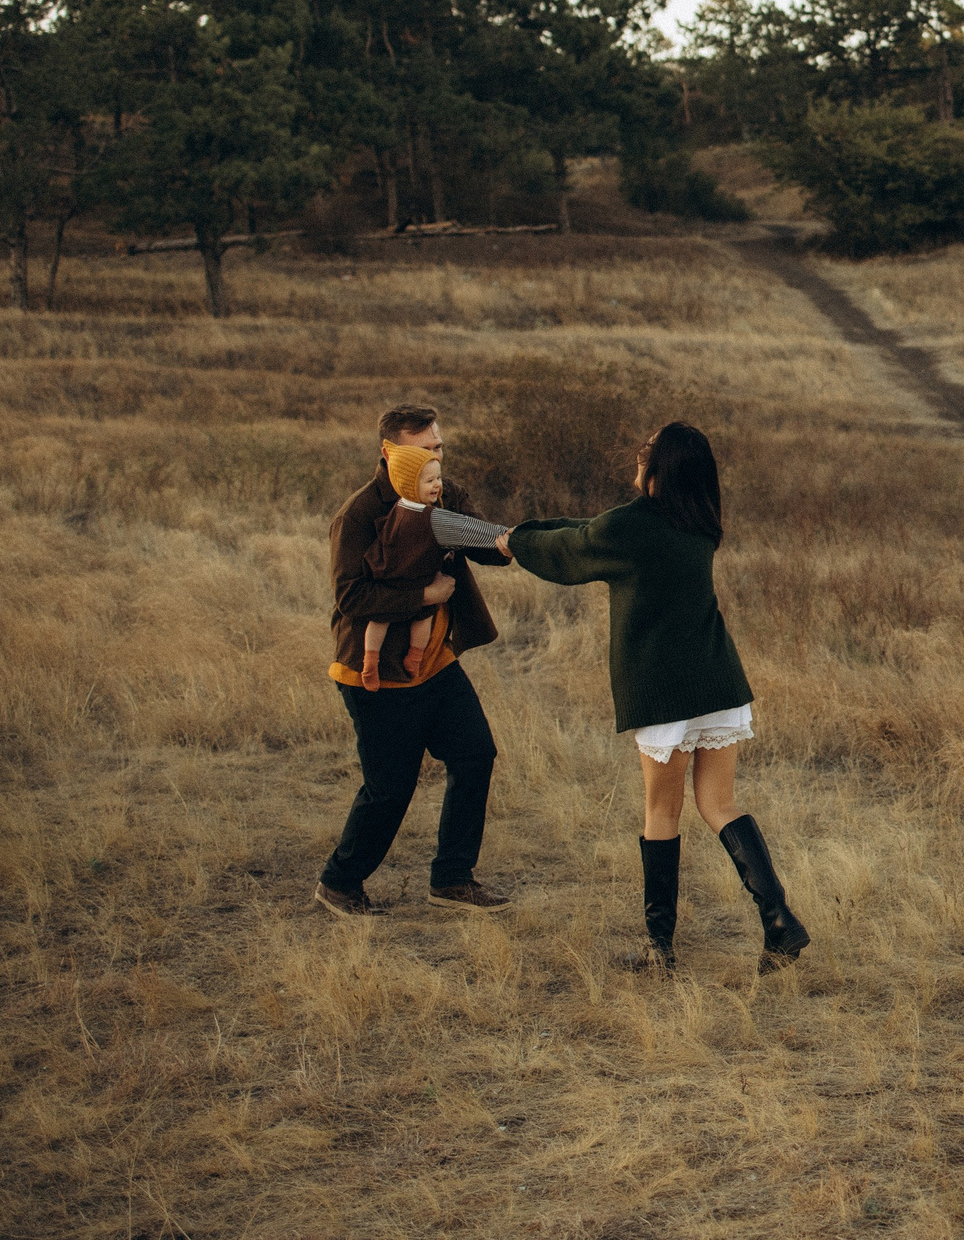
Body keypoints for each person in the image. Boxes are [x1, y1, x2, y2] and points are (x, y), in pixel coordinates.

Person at [496, 422, 808, 973]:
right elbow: (589, 530)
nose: (638, 457)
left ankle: (659, 950)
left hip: (666, 693)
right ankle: (779, 921)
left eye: (645, 453)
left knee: (661, 810)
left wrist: (516, 543)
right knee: (719, 805)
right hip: (718, 680)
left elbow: (572, 547)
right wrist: (526, 532)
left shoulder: (631, 527)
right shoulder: (701, 523)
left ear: (658, 471)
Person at [317, 404, 512, 919]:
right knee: (390, 788)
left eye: (439, 447)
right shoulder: (359, 514)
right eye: (425, 449)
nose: (436, 457)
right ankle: (339, 884)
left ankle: (451, 879)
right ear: (389, 452)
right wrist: (425, 595)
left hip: (436, 663)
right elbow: (351, 599)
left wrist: (525, 541)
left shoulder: (441, 494)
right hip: (373, 672)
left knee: (475, 755)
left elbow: (488, 545)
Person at [356, 444, 449, 684]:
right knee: (386, 619)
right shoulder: (425, 514)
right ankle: (371, 662)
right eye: (429, 481)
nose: (437, 485)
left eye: (438, 478)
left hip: (407, 576)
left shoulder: (404, 506)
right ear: (409, 485)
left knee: (419, 618)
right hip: (398, 579)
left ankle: (411, 659)